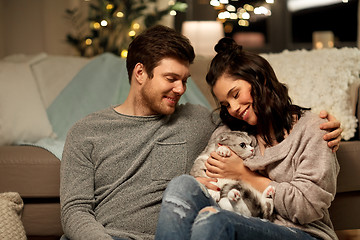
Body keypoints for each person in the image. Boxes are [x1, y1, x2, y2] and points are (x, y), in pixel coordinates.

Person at [60, 26, 341, 240]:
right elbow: (74, 211)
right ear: (140, 73)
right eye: (171, 79)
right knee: (189, 189)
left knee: (193, 198)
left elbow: (279, 119)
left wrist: (332, 129)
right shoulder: (87, 132)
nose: (181, 90)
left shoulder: (196, 118)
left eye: (184, 81)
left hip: (187, 232)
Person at [154, 37, 340, 240]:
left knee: (216, 221)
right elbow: (208, 180)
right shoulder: (228, 132)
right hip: (238, 217)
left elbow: (307, 207)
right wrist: (202, 184)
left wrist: (245, 175)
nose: (232, 109)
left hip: (302, 232)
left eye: (235, 94)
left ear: (260, 79)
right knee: (182, 185)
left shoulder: (314, 128)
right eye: (225, 104)